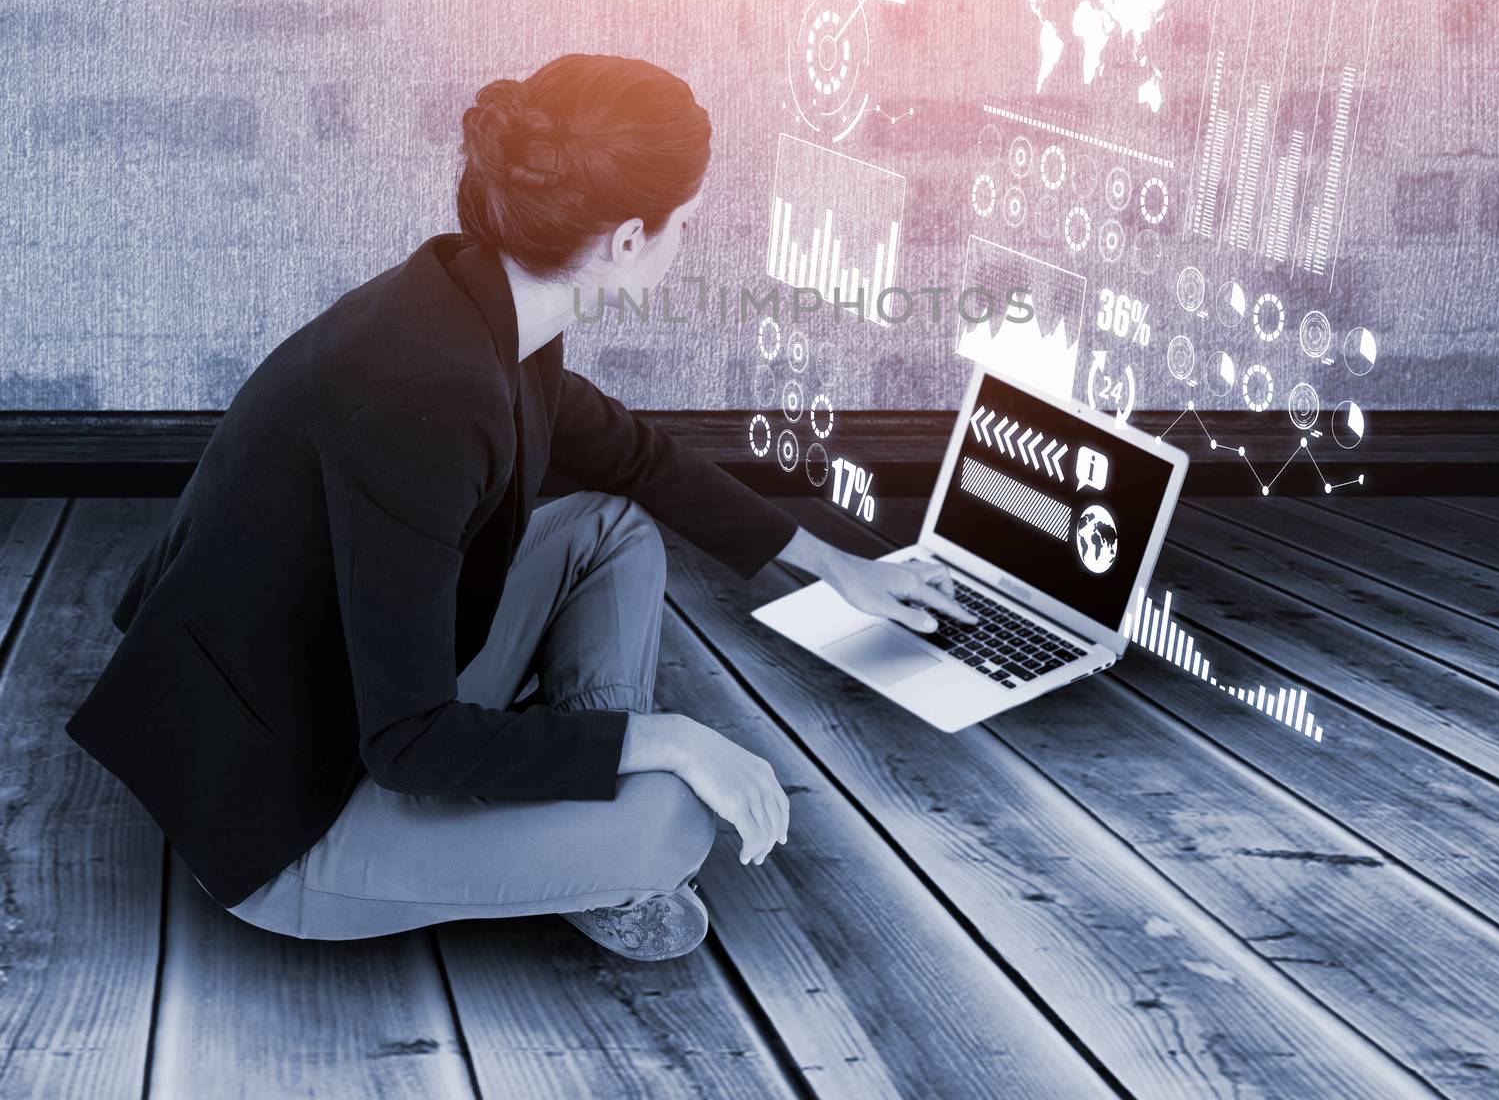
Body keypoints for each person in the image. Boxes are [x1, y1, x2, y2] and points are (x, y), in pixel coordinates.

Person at [66, 53, 974, 961]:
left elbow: (634, 457)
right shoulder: (429, 401)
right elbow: (411, 745)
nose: (689, 242)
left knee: (610, 531)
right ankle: (599, 836)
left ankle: (580, 804)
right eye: (685, 225)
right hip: (283, 811)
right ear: (625, 241)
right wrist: (669, 738)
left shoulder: (480, 298)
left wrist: (839, 567)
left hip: (329, 686)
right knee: (674, 826)